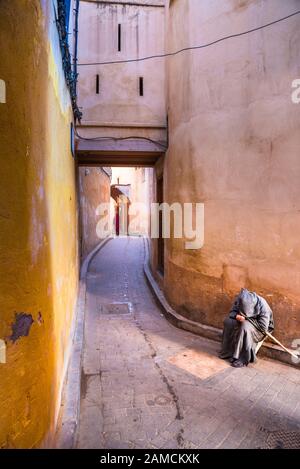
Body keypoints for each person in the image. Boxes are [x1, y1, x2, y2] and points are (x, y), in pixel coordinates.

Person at [219, 288, 274, 367]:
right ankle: (228, 352)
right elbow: (232, 312)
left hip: (259, 329)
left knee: (245, 327)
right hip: (244, 321)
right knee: (228, 322)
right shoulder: (241, 299)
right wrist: (236, 316)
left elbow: (263, 328)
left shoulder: (263, 306)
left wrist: (248, 319)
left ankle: (242, 358)